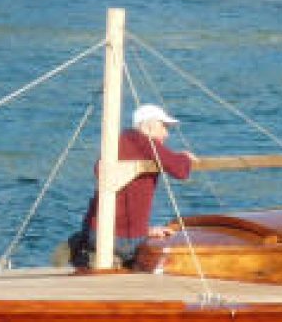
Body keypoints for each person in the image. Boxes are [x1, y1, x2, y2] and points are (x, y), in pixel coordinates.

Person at [70, 104, 198, 269]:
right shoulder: (144, 142)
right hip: (122, 239)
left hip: (95, 231)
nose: (167, 134)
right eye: (164, 127)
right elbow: (180, 171)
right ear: (149, 126)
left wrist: (146, 230)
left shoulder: (120, 141)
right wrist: (185, 157)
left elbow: (98, 170)